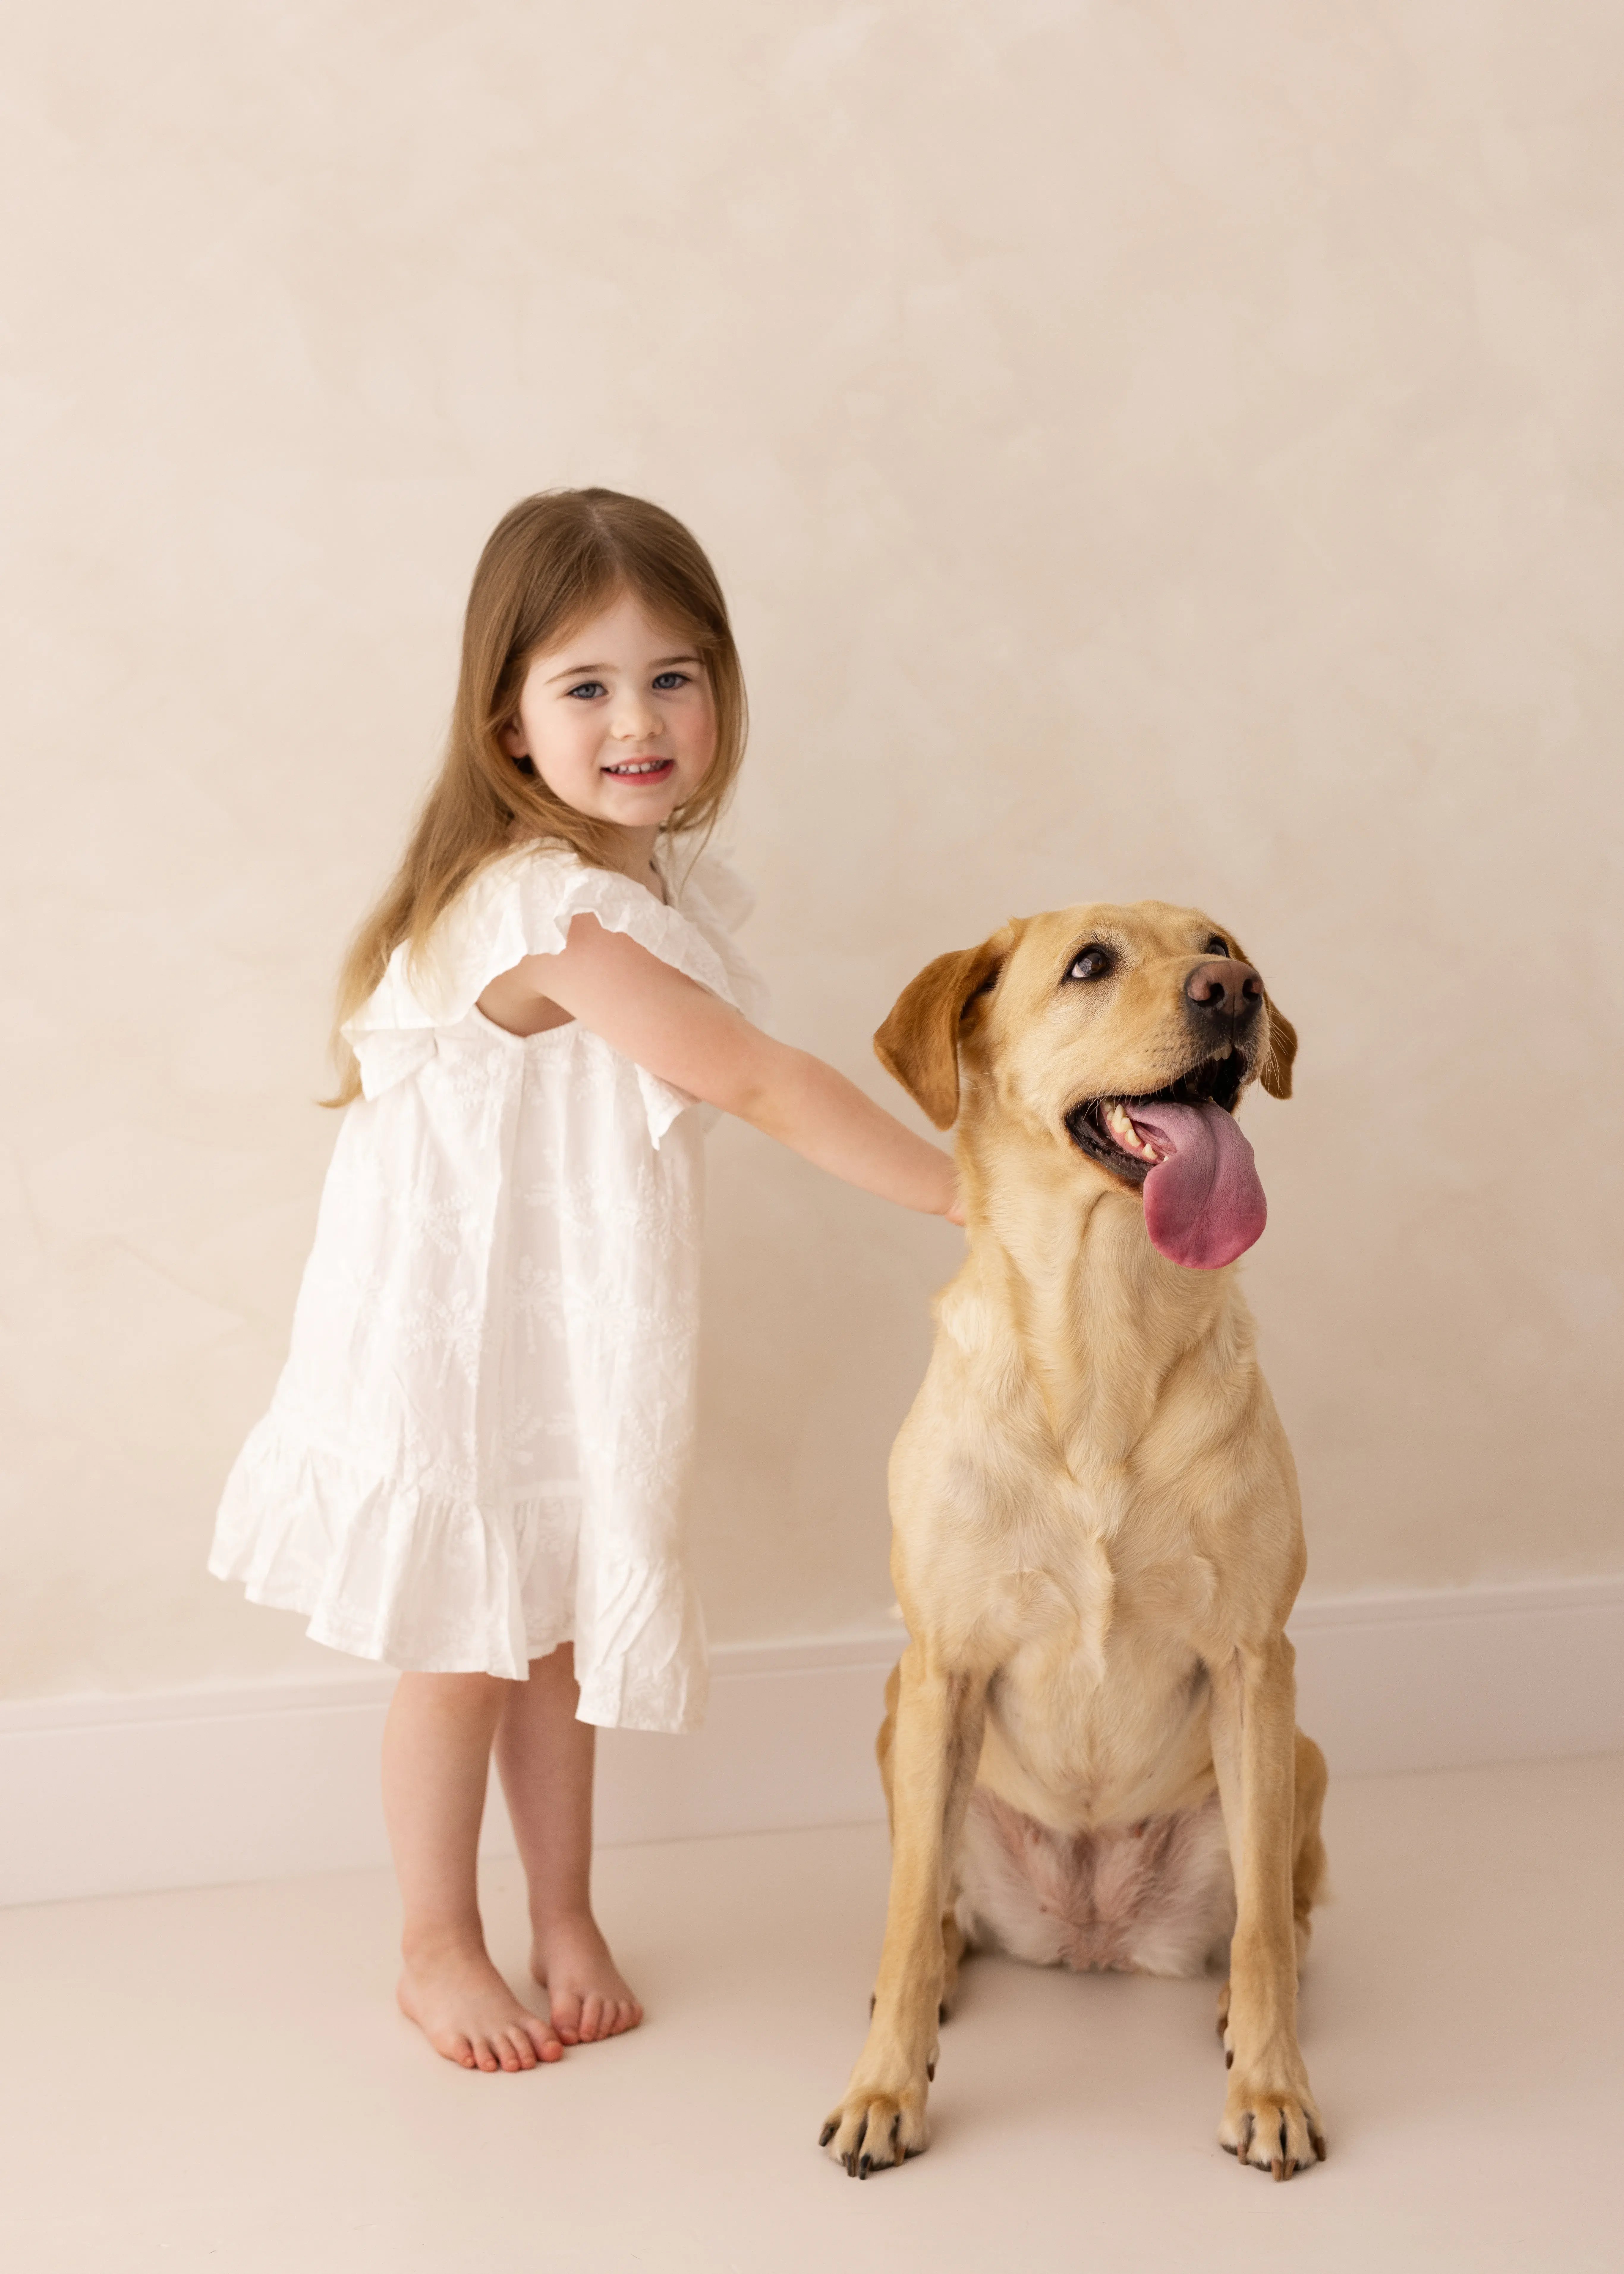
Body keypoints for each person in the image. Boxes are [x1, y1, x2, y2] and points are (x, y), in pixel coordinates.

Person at [210, 489, 959, 2075]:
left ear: (722, 691)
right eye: (589, 685)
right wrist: (979, 1196)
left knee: (552, 1629)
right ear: (510, 719)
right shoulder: (547, 910)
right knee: (470, 1641)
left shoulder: (635, 890)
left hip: (555, 1323)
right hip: (455, 1329)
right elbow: (754, 1080)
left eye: (673, 676)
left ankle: (562, 1913)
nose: (639, 717)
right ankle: (435, 1936)